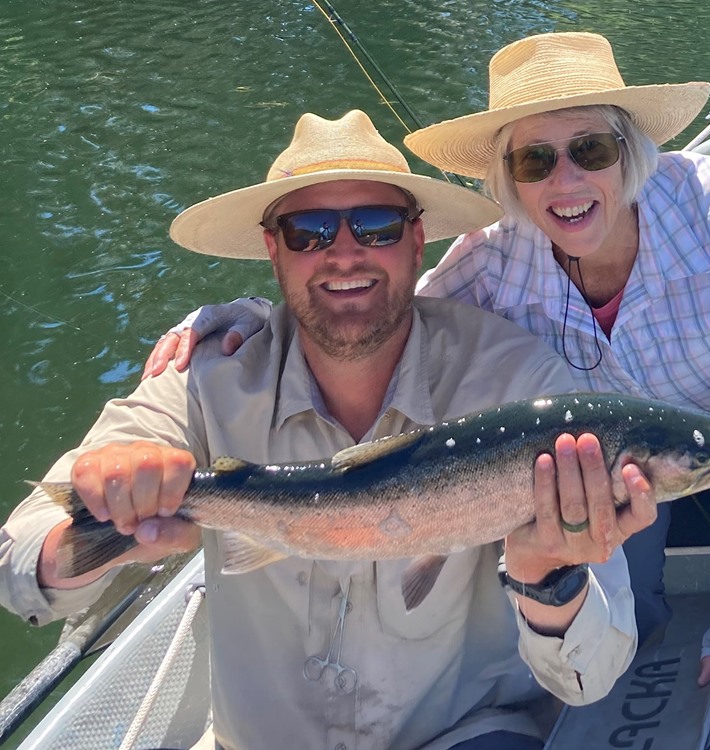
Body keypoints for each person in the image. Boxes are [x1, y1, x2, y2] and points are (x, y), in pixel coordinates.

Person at [143, 32, 710, 718]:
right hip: (616, 462)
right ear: (506, 178)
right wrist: (255, 320)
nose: (565, 181)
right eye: (534, 161)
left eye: (590, 150)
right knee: (622, 632)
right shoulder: (489, 264)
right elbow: (371, 313)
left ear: (630, 152)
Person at [0, 110, 660, 750]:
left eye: (375, 225)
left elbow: (589, 677)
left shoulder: (524, 389)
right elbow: (19, 567)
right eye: (309, 231)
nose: (344, 253)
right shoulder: (206, 378)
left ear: (414, 238)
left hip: (463, 733)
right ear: (271, 247)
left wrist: (547, 577)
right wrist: (111, 512)